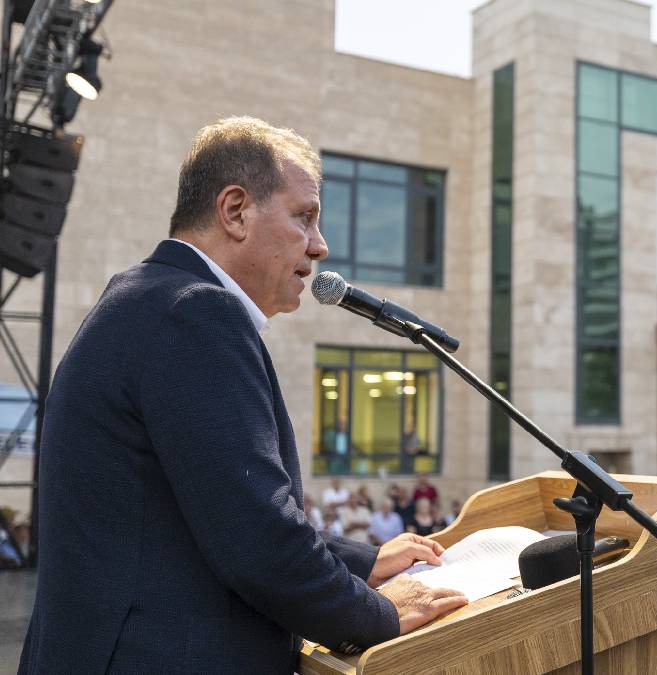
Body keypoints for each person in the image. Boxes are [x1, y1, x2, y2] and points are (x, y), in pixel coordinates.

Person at [18, 118, 467, 674]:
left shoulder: (150, 297)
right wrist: (376, 613)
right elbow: (256, 539)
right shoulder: (195, 313)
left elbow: (214, 513)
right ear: (235, 211)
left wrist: (367, 560)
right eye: (304, 216)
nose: (320, 246)